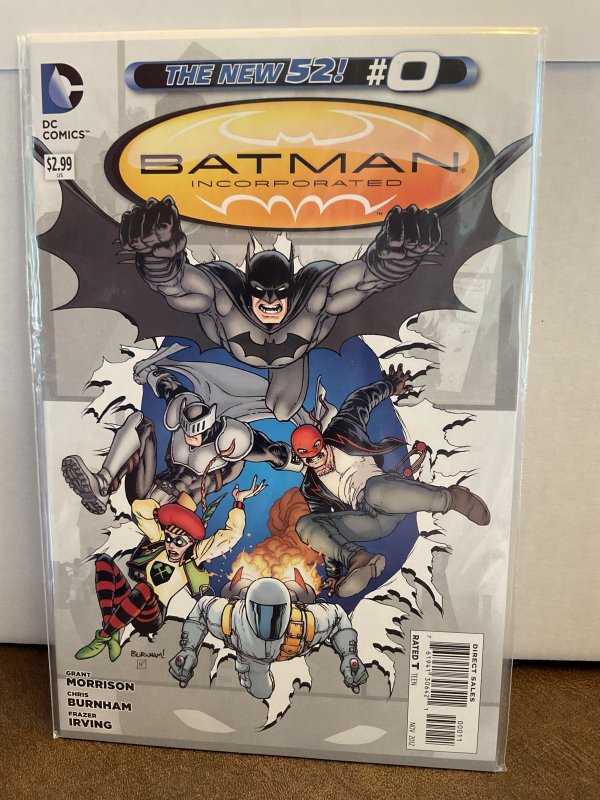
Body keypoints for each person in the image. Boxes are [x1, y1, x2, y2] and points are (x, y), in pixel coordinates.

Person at [291, 365, 491, 597]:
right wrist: (334, 572)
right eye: (310, 460)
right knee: (305, 524)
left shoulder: (343, 429)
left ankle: (452, 498)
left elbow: (360, 400)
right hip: (368, 519)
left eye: (320, 453)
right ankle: (359, 559)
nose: (318, 462)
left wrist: (390, 386)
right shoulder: (311, 487)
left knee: (373, 490)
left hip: (387, 494)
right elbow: (326, 525)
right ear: (302, 459)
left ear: (323, 443)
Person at [74, 478, 265, 661]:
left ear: (191, 542)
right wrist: (162, 511)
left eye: (179, 542)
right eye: (169, 539)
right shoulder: (158, 541)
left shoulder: (194, 555)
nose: (172, 546)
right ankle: (112, 630)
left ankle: (103, 636)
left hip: (152, 616)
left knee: (144, 589)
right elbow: (139, 509)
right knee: (104, 562)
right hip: (132, 603)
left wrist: (239, 502)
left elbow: (232, 535)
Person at [169, 577, 368, 699]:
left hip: (261, 650)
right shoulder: (231, 618)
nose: (268, 621)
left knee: (261, 692)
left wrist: (349, 655)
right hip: (252, 657)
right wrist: (188, 649)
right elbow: (202, 608)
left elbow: (337, 616)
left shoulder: (306, 623)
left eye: (275, 614)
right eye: (261, 613)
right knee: (261, 692)